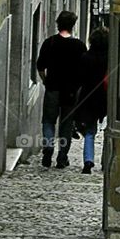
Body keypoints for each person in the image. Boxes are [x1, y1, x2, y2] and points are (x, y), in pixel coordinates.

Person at [37, 10, 87, 168]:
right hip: (71, 91)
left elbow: (40, 67)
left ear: (58, 24)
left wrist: (46, 81)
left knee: (48, 121)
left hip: (53, 88)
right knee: (66, 124)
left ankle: (48, 147)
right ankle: (62, 157)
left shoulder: (49, 42)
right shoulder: (79, 46)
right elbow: (83, 71)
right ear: (73, 25)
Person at [76, 27, 109, 174]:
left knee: (90, 131)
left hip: (88, 97)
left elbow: (80, 79)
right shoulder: (110, 58)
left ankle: (88, 161)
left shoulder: (85, 57)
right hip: (105, 98)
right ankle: (105, 162)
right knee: (109, 130)